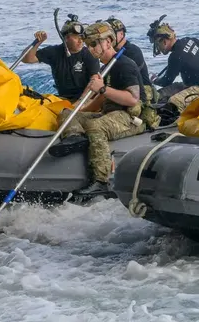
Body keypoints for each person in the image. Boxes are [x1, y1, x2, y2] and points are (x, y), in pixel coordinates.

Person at [58, 22, 147, 198]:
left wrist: (103, 88)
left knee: (95, 127)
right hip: (110, 112)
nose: (91, 49)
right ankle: (75, 139)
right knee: (68, 114)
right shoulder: (106, 67)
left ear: (107, 42)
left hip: (130, 117)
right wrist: (80, 111)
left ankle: (101, 180)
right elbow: (101, 99)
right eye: (89, 45)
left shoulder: (124, 64)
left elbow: (132, 98)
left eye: (94, 44)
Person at [22, 15, 100, 102]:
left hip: (86, 98)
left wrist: (81, 102)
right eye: (76, 37)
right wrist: (38, 42)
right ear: (65, 38)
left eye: (82, 37)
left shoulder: (89, 53)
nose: (80, 40)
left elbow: (95, 81)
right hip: (63, 98)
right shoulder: (54, 52)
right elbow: (27, 59)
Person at [147, 20, 199, 114]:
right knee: (161, 94)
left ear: (164, 42)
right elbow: (198, 42)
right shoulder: (187, 40)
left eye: (157, 45)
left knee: (173, 102)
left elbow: (166, 81)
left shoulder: (175, 56)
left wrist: (154, 79)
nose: (158, 49)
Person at [106, 17, 160, 129]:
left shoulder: (132, 51)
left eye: (111, 35)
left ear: (121, 34)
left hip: (142, 90)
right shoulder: (113, 53)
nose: (109, 39)